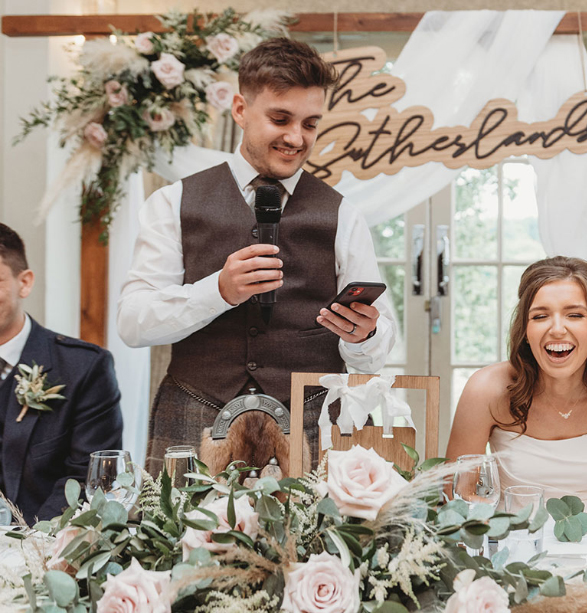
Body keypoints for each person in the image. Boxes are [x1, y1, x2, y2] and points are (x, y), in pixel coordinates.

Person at [117, 38, 395, 475]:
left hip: (314, 420)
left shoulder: (343, 213)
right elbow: (133, 324)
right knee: (176, 545)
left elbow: (374, 355)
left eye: (310, 124)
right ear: (241, 110)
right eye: (280, 119)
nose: (295, 137)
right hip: (195, 413)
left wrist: (363, 337)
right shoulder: (172, 203)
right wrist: (219, 291)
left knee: (319, 546)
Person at [445, 256, 587, 532]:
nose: (556, 329)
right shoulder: (485, 389)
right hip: (515, 547)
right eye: (540, 316)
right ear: (525, 330)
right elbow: (457, 494)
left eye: (575, 315)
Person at [0, 224, 122, 522]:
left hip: (39, 549)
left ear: (24, 282)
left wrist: (31, 549)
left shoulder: (84, 369)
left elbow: (89, 481)